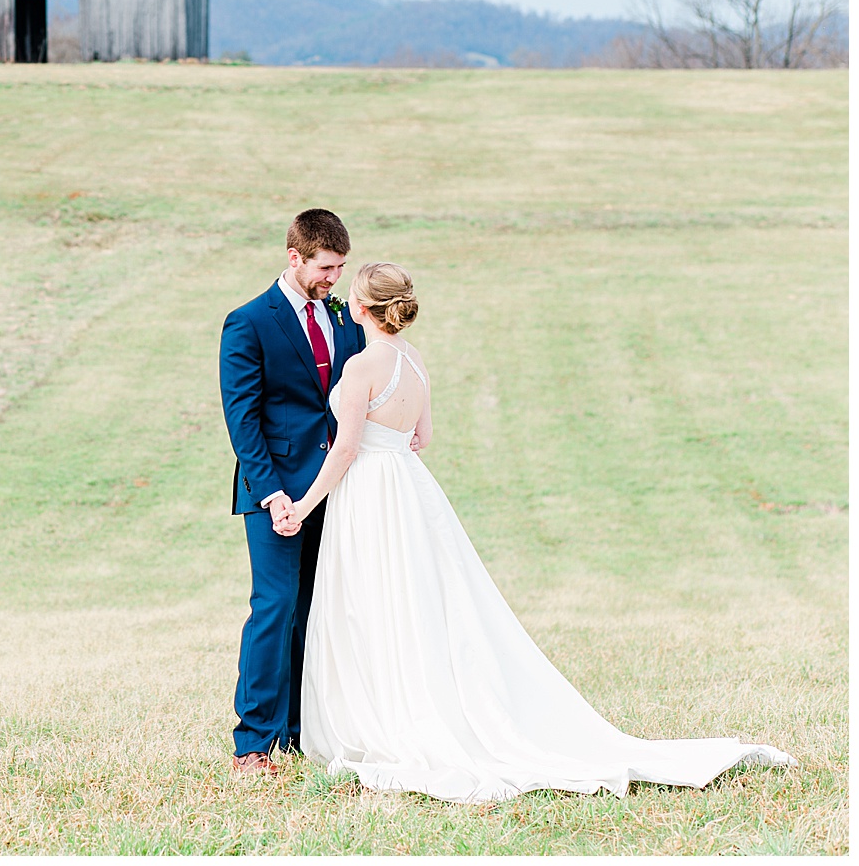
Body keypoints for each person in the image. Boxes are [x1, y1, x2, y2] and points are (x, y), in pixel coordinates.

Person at [285, 261, 794, 803]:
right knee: (421, 603)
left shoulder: (363, 366)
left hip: (369, 495)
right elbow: (422, 437)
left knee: (373, 605)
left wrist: (303, 506)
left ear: (359, 308)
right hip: (410, 491)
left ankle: (384, 717)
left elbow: (344, 449)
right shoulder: (415, 360)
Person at [218, 209, 369, 775]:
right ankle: (254, 741)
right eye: (326, 268)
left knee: (318, 610)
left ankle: (301, 731)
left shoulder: (344, 319)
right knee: (275, 608)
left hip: (340, 488)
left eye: (340, 268)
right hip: (276, 491)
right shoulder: (249, 322)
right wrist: (272, 493)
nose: (333, 278)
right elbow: (244, 420)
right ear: (295, 257)